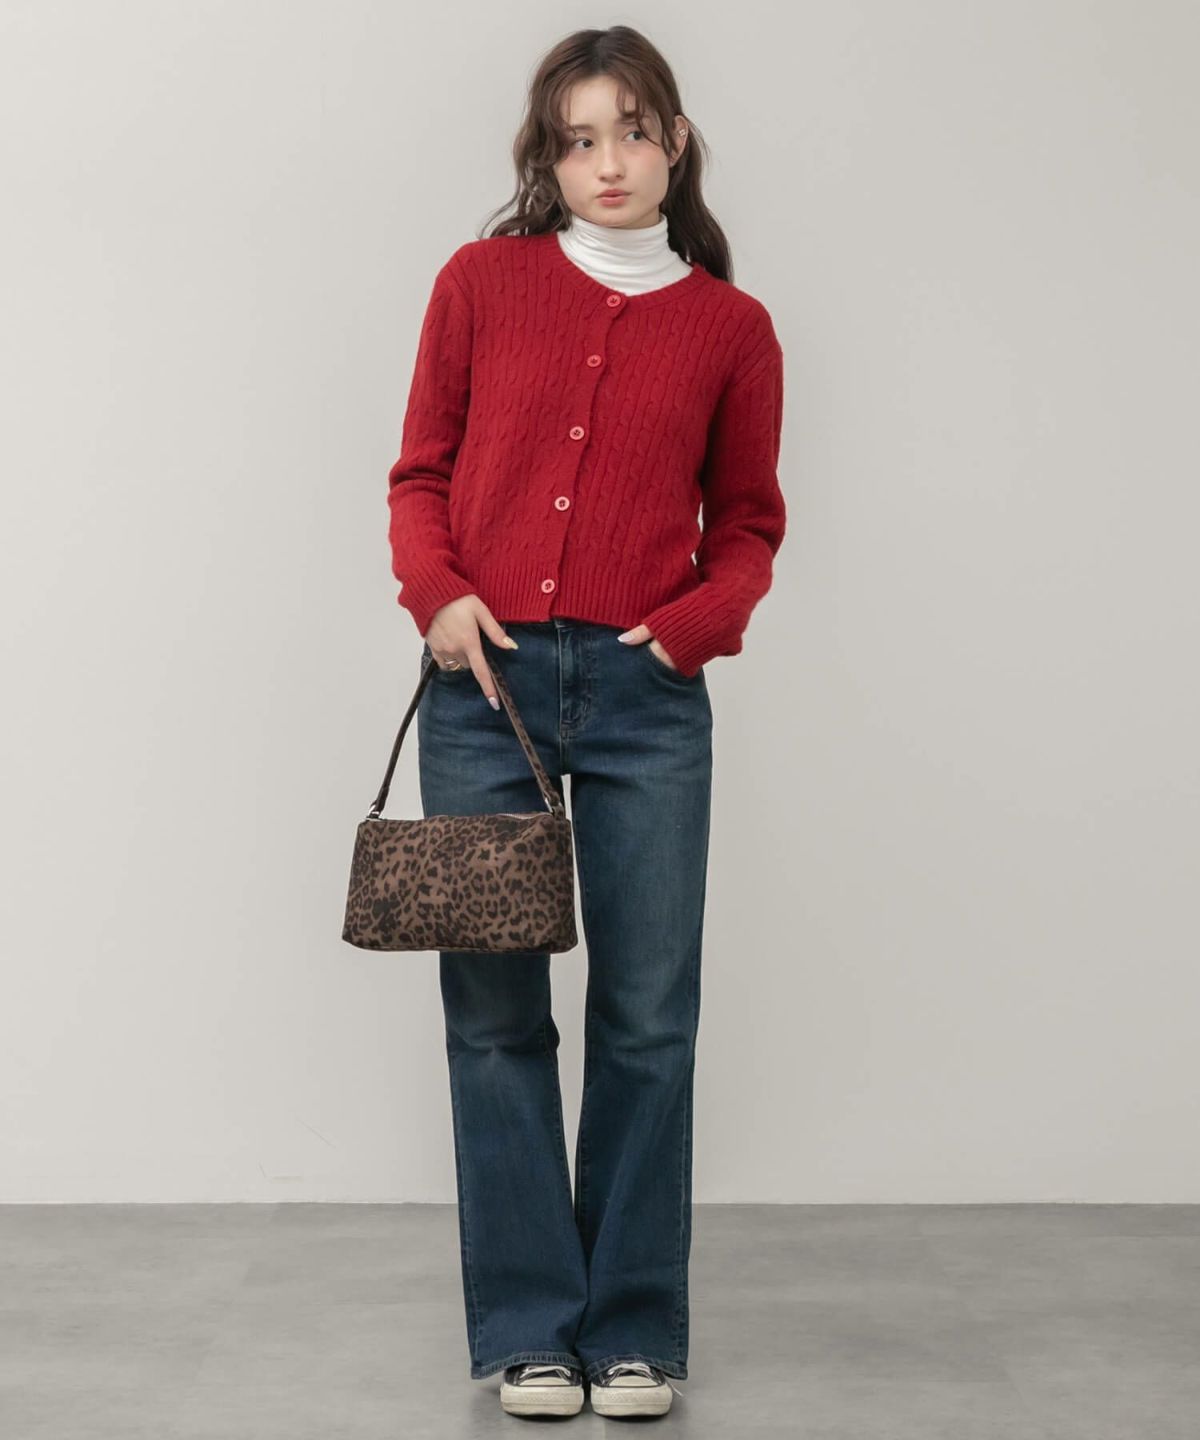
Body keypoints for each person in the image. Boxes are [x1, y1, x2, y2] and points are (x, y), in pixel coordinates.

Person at [385, 24, 786, 1421]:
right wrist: (438, 594)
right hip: (484, 689)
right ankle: (531, 1333)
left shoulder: (731, 328)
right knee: (495, 1016)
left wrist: (692, 626)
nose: (606, 162)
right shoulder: (481, 284)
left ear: (674, 142)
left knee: (647, 1017)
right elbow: (420, 473)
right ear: (545, 160)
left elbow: (749, 525)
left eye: (631, 131)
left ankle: (632, 1334)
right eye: (576, 139)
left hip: (644, 700)